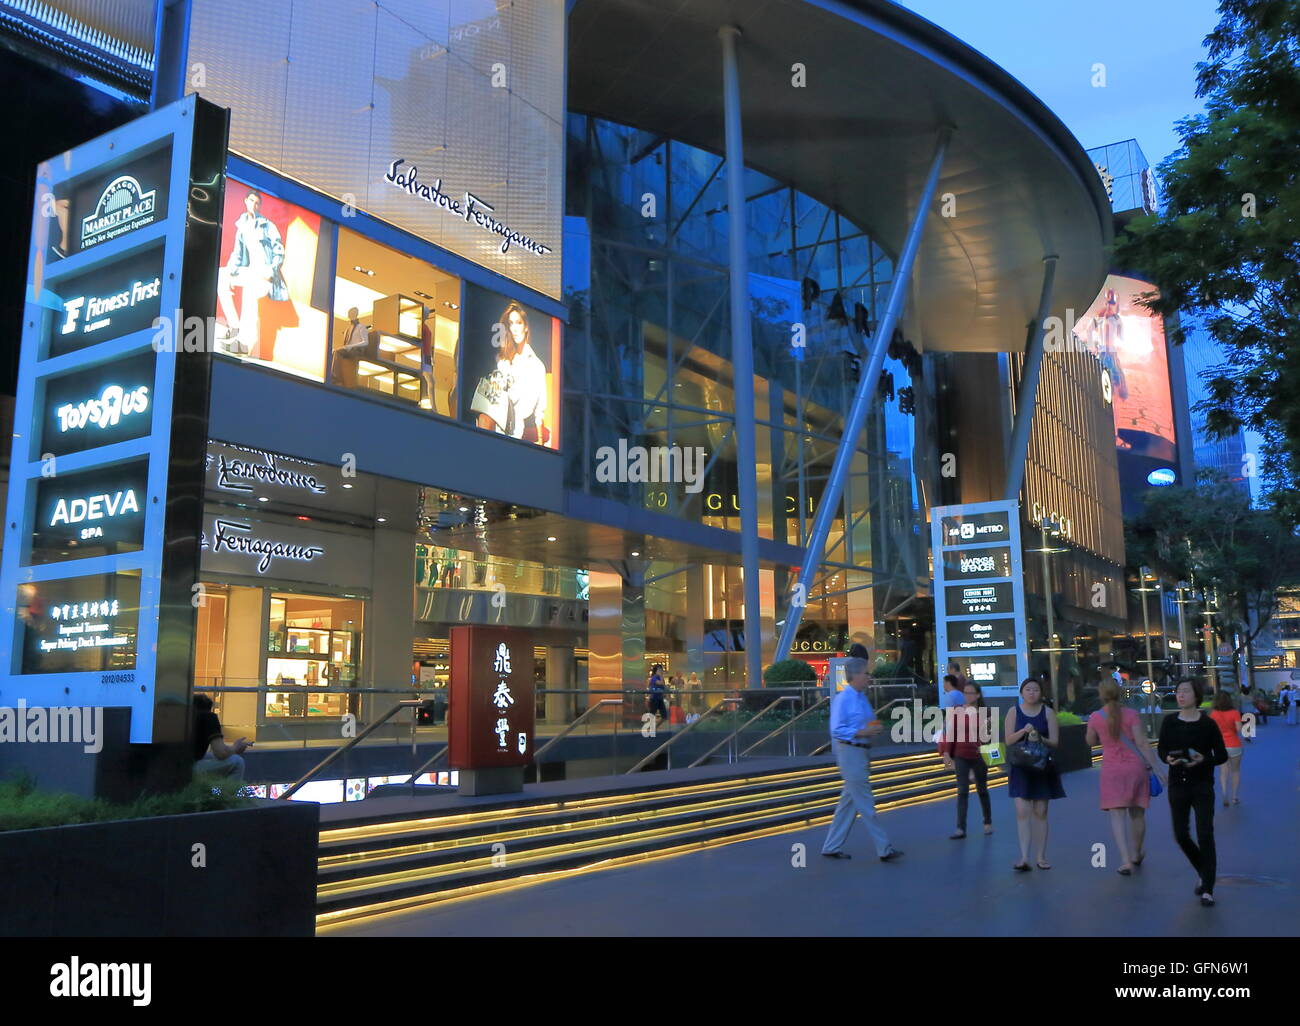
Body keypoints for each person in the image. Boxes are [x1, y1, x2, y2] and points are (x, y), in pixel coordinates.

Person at [821, 658, 903, 862]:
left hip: (861, 753)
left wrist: (873, 727)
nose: (869, 677)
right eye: (866, 673)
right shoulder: (844, 699)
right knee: (866, 803)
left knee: (848, 804)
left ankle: (831, 846)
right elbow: (837, 730)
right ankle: (884, 848)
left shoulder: (860, 697)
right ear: (855, 675)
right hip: (850, 753)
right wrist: (862, 731)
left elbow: (869, 719)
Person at [1159, 678, 1229, 906]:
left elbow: (1221, 755)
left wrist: (1203, 759)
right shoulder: (1169, 722)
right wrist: (1167, 758)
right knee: (1180, 834)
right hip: (1178, 784)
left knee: (1205, 834)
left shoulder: (1207, 724)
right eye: (1178, 691)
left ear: (1196, 696)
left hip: (1202, 786)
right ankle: (1204, 869)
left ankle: (1208, 888)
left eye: (1186, 691)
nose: (1181, 695)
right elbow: (1162, 749)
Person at [1086, 681, 1166, 875]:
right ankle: (1136, 854)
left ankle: (1125, 860)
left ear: (1101, 695)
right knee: (1137, 814)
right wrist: (1158, 769)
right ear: (1121, 694)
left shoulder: (1096, 717)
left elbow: (1089, 741)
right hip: (1135, 768)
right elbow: (1142, 743)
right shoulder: (1131, 715)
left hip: (1112, 770)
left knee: (1117, 816)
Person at [217, 189, 287, 356]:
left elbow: (279, 252)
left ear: (259, 205)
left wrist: (270, 271)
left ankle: (244, 344)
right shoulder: (242, 225)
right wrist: (231, 272)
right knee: (221, 276)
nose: (254, 205)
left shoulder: (267, 226)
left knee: (249, 292)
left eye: (257, 203)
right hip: (250, 271)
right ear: (246, 201)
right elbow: (238, 253)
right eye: (251, 201)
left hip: (265, 275)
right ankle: (234, 326)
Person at [1005, 677, 1065, 871]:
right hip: (1021, 767)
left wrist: (1040, 737)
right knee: (1022, 812)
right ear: (1021, 692)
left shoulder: (1048, 713)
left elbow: (1055, 742)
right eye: (1028, 689)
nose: (1032, 693)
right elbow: (1008, 740)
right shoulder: (1014, 711)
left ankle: (1041, 856)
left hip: (1041, 767)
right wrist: (1024, 730)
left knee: (1041, 812)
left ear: (1041, 693)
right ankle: (1023, 857)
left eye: (1035, 690)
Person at [475, 302, 549, 444]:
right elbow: (492, 396)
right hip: (493, 427)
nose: (514, 328)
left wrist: (541, 444)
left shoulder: (536, 365)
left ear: (526, 327)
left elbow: (540, 409)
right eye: (510, 323)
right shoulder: (503, 360)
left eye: (518, 323)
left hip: (515, 433)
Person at [939, 681, 993, 839]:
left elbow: (990, 737)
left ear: (977, 695)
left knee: (982, 789)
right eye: (965, 693)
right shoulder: (957, 711)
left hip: (979, 755)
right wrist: (947, 753)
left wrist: (988, 728)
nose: (967, 696)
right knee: (962, 790)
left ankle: (987, 822)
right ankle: (960, 828)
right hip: (961, 754)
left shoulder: (986, 712)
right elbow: (951, 733)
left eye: (971, 693)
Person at [192, 694, 250, 782]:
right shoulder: (208, 717)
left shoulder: (179, 718)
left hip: (166, 769)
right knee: (237, 762)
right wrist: (235, 747)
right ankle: (226, 794)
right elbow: (221, 753)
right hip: (185, 770)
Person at [1209, 690, 1244, 805]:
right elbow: (1239, 729)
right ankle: (1234, 797)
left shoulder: (1213, 714)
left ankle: (1224, 793)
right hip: (1234, 744)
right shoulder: (1235, 712)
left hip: (1220, 746)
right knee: (1235, 771)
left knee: (1223, 772)